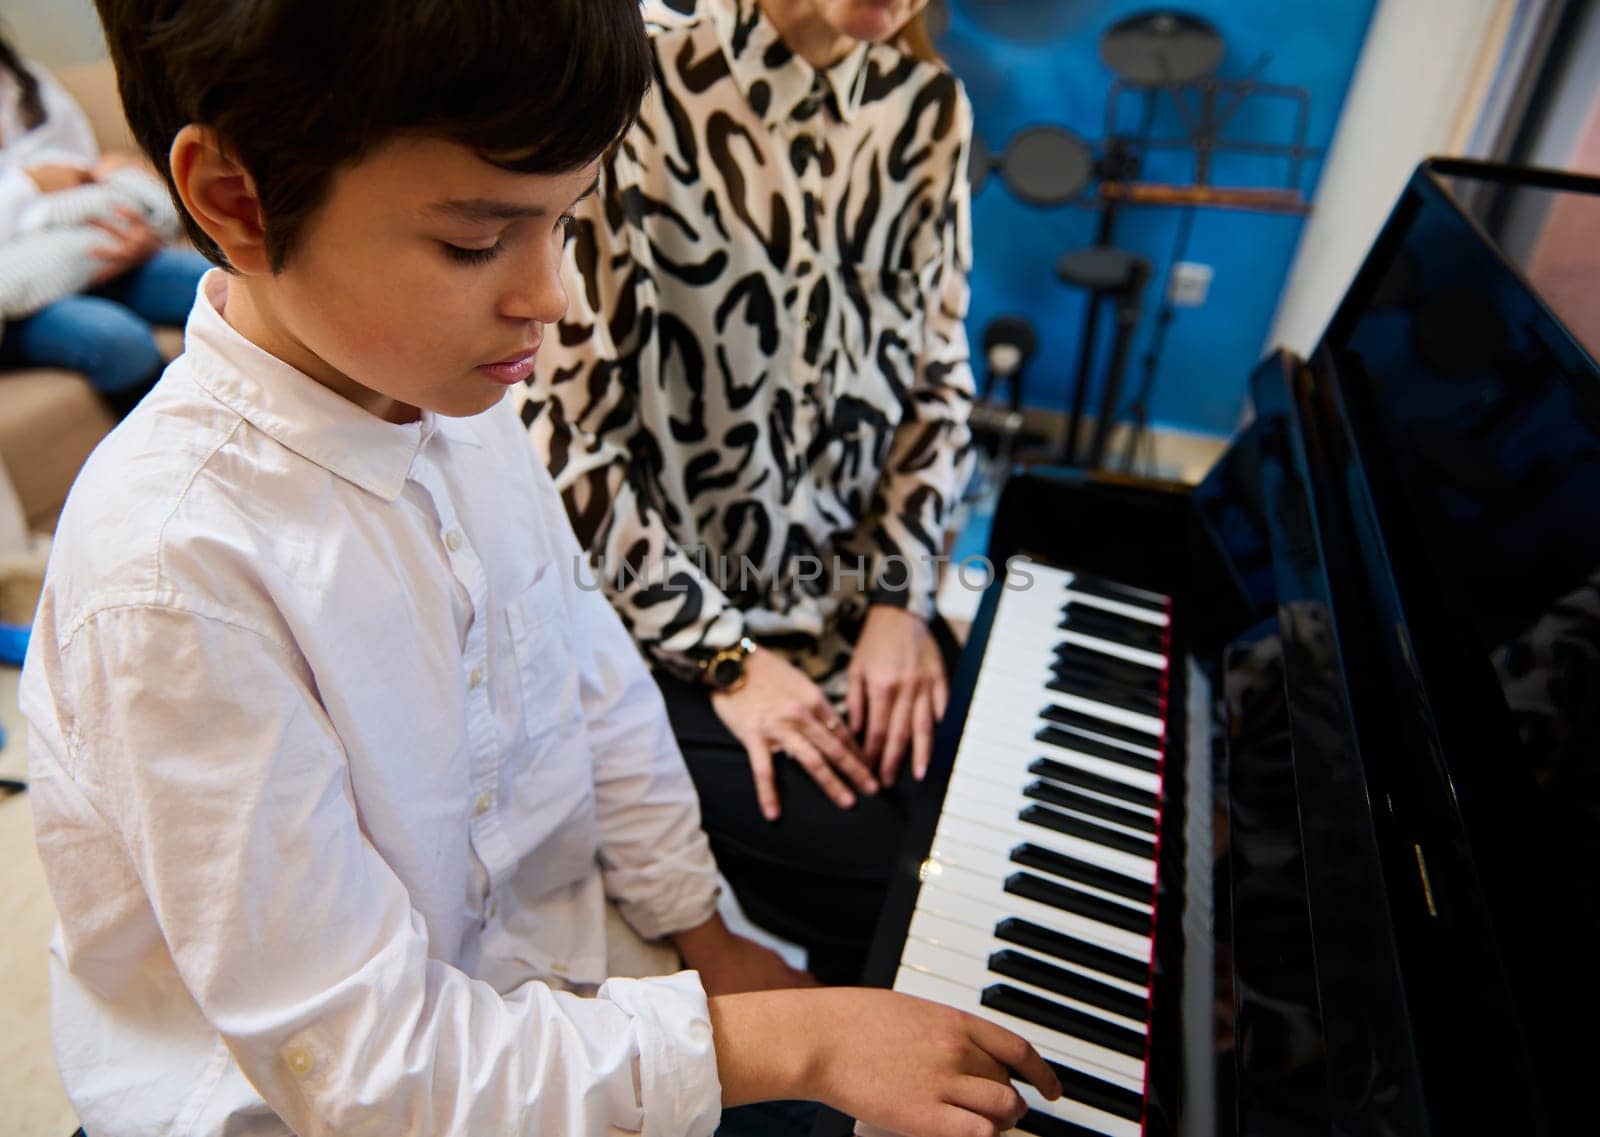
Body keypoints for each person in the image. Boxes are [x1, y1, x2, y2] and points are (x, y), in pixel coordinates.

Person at [22, 2, 1060, 1136]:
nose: (552, 301)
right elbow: (363, 1067)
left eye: (566, 225)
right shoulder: (174, 573)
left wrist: (704, 932)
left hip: (539, 986)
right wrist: (787, 1044)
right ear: (235, 200)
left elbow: (597, 688)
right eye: (476, 242)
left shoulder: (453, 395)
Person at [520, 0, 977, 984]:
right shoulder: (627, 78)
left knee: (976, 811)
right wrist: (725, 658)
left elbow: (940, 378)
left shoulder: (929, 107)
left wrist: (902, 600)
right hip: (670, 628)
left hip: (860, 604)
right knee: (887, 879)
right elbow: (562, 441)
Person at [0, 34, 208, 416]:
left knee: (213, 282)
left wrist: (140, 229)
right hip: (18, 294)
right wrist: (29, 184)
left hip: (95, 250)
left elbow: (84, 167)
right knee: (116, 340)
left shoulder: (24, 78)